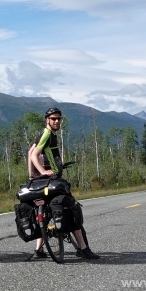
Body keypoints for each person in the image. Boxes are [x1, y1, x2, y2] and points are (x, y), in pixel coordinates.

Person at [29, 107, 100, 260]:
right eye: (53, 118)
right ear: (47, 120)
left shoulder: (44, 134)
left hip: (42, 181)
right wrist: (42, 171)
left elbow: (30, 152)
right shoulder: (47, 134)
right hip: (52, 180)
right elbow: (34, 155)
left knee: (46, 212)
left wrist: (32, 175)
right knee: (71, 208)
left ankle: (38, 250)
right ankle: (83, 248)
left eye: (59, 118)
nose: (56, 121)